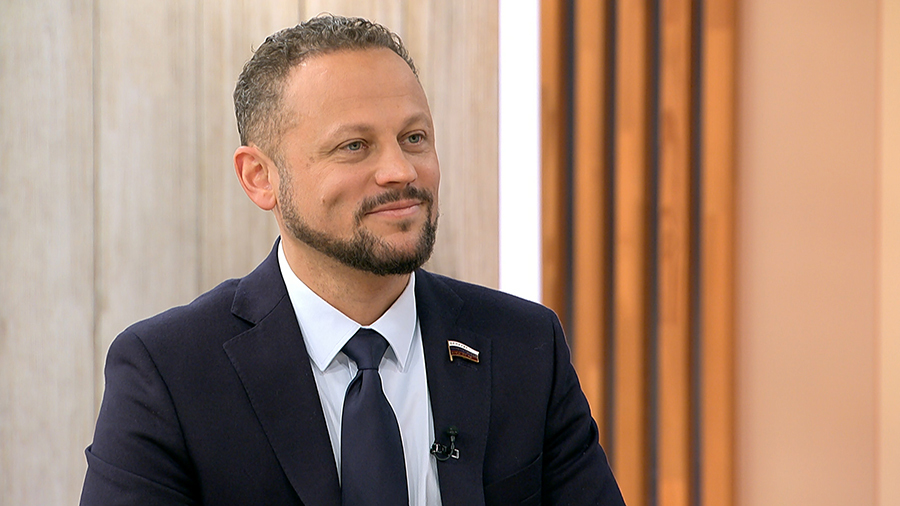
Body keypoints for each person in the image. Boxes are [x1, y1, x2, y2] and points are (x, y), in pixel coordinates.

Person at [80, 14, 625, 506]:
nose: (401, 171)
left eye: (414, 138)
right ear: (260, 177)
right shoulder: (169, 373)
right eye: (355, 146)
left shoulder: (525, 347)